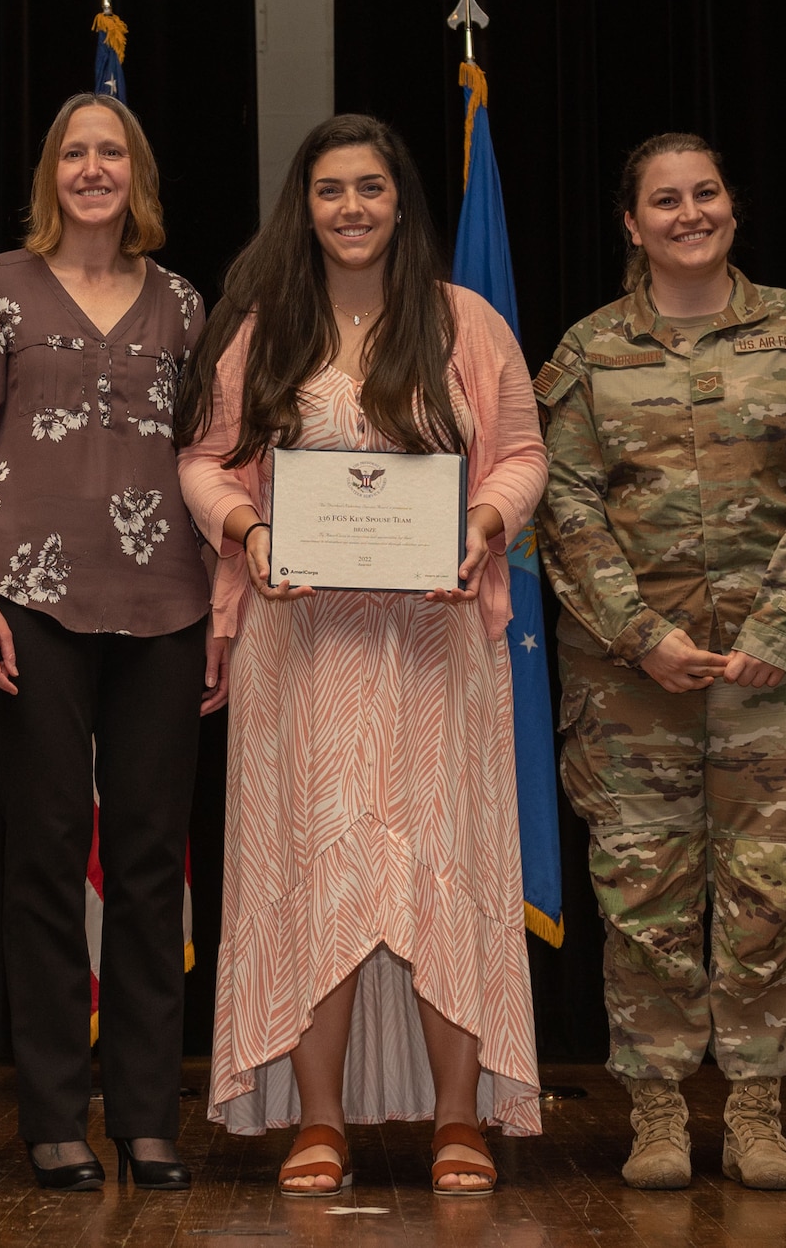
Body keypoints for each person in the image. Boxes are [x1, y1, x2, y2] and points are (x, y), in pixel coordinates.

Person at [175, 114, 547, 1197]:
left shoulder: (463, 323)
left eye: (370, 188)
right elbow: (205, 462)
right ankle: (317, 1119)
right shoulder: (264, 329)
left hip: (434, 645)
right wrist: (245, 533)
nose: (349, 208)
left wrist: (482, 520)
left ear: (400, 203)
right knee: (314, 869)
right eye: (329, 189)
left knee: (445, 869)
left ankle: (457, 1119)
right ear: (305, 204)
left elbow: (520, 453)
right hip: (302, 649)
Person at [535, 134, 786, 1192]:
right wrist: (642, 634)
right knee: (643, 894)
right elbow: (565, 506)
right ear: (630, 225)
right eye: (664, 200)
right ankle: (657, 1111)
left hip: (781, 670)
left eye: (706, 193)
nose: (690, 213)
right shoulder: (586, 352)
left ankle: (757, 1109)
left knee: (769, 890)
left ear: (732, 207)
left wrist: (771, 635)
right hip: (628, 677)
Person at [0, 93, 213, 1193]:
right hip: (29, 607)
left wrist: (226, 610)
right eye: (74, 153)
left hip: (168, 609)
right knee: (46, 858)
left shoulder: (186, 305)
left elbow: (215, 459)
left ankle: (147, 1117)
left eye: (112, 153)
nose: (92, 169)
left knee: (150, 865)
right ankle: (54, 1114)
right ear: (50, 173)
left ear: (135, 175)